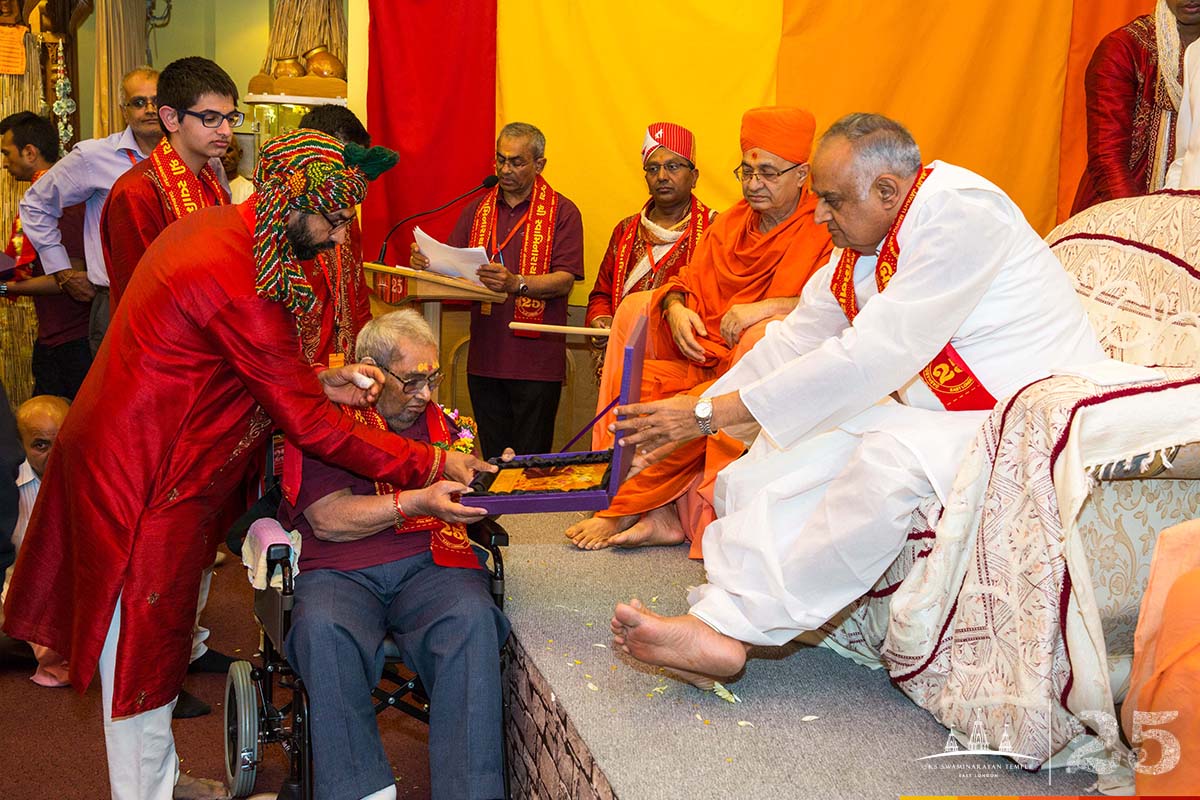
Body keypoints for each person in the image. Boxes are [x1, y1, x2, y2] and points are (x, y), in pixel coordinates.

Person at [2, 129, 492, 800]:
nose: (335, 236)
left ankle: (162, 781)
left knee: (161, 638)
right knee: (139, 649)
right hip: (142, 475)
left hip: (164, 463)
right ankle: (143, 793)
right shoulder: (239, 279)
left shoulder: (230, 233)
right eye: (331, 217)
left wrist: (318, 376)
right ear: (292, 198)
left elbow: (238, 369)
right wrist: (430, 460)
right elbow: (308, 426)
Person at [607, 113, 1105, 687]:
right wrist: (688, 419)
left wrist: (705, 415)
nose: (818, 215)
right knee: (773, 454)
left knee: (885, 463)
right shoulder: (866, 242)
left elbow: (875, 354)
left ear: (888, 191)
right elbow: (795, 342)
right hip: (942, 415)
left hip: (1029, 417)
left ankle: (725, 632)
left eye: (832, 200)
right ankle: (718, 623)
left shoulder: (962, 211)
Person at [567, 106, 833, 555]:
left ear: (802, 173)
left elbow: (833, 304)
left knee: (759, 339)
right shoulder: (730, 223)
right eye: (746, 171)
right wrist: (673, 306)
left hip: (757, 374)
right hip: (704, 353)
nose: (752, 184)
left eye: (767, 173)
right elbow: (686, 281)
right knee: (636, 309)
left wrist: (765, 307)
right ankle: (642, 502)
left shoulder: (824, 226)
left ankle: (636, 505)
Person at [281, 309, 507, 800]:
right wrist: (416, 501)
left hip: (431, 562)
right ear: (370, 370)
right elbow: (328, 520)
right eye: (411, 381)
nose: (425, 394)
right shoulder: (325, 420)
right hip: (342, 570)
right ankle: (358, 791)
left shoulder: (449, 426)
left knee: (472, 619)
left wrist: (504, 484)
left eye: (432, 378)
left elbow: (471, 499)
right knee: (323, 630)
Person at [410, 121, 584, 458]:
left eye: (517, 162)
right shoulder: (477, 210)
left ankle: (526, 513)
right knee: (490, 456)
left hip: (536, 361)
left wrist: (516, 283)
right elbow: (453, 264)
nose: (505, 169)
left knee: (528, 461)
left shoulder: (562, 212)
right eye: (500, 160)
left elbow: (564, 279)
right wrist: (428, 261)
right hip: (485, 356)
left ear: (540, 164)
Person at [18, 66, 161, 353]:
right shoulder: (95, 156)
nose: (149, 109)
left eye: (157, 100)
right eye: (138, 102)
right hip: (115, 303)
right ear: (124, 110)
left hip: (177, 302)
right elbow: (35, 204)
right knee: (119, 397)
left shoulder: (189, 155)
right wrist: (62, 271)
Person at [102, 56, 238, 311]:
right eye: (210, 118)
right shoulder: (137, 191)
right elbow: (144, 293)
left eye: (230, 118)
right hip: (162, 338)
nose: (225, 131)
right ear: (171, 118)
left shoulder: (211, 181)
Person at [584, 122, 716, 377]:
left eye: (673, 166)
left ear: (695, 176)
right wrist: (600, 320)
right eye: (653, 168)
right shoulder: (625, 231)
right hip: (623, 360)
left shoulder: (714, 229)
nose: (662, 176)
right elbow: (600, 294)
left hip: (684, 366)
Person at [1072, 0, 1200, 213]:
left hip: (1187, 214)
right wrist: (1137, 222)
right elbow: (1107, 157)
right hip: (1118, 211)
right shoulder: (1123, 49)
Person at [0, 111, 91, 398]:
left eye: (6, 153)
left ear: (29, 152)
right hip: (53, 339)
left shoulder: (63, 199)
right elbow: (19, 261)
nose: (4, 163)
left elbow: (73, 279)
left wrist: (5, 287)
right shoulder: (40, 196)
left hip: (75, 343)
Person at [0, 395, 70, 687]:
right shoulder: (7, 488)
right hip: (14, 599)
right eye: (40, 445)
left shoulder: (94, 479)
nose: (53, 455)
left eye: (62, 443)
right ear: (21, 444)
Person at [221, 136, 253, 204]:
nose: (223, 155)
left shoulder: (249, 190)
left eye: (229, 150)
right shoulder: (207, 186)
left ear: (240, 154)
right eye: (220, 151)